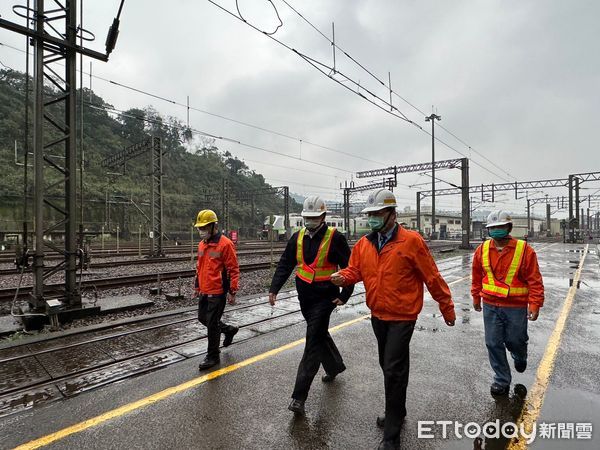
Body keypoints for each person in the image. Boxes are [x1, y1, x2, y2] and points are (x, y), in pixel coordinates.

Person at [331, 189, 455, 450]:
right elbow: (356, 270)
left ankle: (392, 433)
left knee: (392, 368)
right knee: (390, 366)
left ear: (392, 214)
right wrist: (345, 277)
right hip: (378, 314)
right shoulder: (365, 244)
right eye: (370, 214)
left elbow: (431, 276)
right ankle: (397, 409)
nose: (373, 218)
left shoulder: (411, 241)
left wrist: (446, 307)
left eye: (377, 214)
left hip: (403, 315)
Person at [269, 196, 354, 415]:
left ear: (323, 217)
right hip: (305, 297)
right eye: (307, 217)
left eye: (314, 217)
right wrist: (274, 288)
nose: (310, 220)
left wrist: (345, 294)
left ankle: (299, 397)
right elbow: (286, 263)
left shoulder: (335, 238)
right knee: (318, 334)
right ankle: (335, 365)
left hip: (326, 299)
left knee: (312, 342)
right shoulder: (297, 237)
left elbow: (350, 268)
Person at [471, 210, 544, 396]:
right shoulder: (482, 250)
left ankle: (520, 354)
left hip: (515, 307)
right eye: (493, 228)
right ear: (488, 230)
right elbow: (477, 276)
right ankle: (501, 379)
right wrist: (475, 296)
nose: (496, 231)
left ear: (509, 228)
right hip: (490, 304)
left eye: (500, 227)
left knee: (515, 340)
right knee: (492, 343)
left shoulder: (524, 250)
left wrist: (535, 304)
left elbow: (534, 280)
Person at [194, 209, 240, 370]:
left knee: (212, 324)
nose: (202, 231)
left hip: (218, 292)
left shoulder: (226, 244)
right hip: (204, 290)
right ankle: (229, 330)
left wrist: (232, 291)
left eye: (205, 227)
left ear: (214, 226)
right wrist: (197, 285)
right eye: (200, 228)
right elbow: (199, 267)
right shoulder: (201, 245)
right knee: (203, 318)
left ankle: (213, 356)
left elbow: (233, 269)